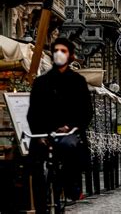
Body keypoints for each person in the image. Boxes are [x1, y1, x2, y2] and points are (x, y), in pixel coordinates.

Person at [27, 37, 93, 213]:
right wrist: (39, 134)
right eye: (56, 50)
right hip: (45, 132)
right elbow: (33, 112)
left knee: (70, 148)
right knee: (34, 161)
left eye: (63, 51)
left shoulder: (78, 82)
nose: (59, 54)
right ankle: (40, 203)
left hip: (68, 131)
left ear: (70, 56)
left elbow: (86, 112)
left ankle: (70, 185)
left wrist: (71, 126)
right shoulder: (41, 82)